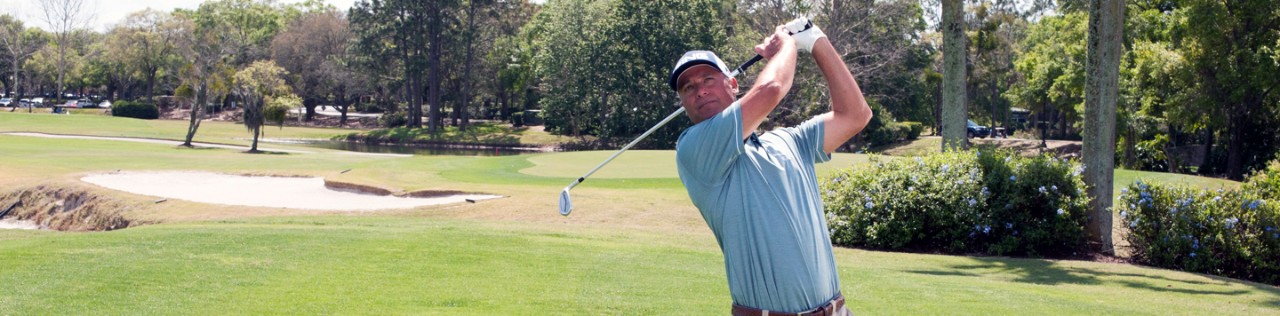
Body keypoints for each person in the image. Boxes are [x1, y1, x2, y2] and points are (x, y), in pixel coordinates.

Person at [670, 18, 872, 316]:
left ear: (733, 84)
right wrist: (787, 45)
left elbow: (856, 115)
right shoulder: (693, 148)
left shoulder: (790, 140)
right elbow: (772, 88)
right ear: (684, 103)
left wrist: (816, 40)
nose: (699, 90)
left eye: (708, 79)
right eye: (688, 87)